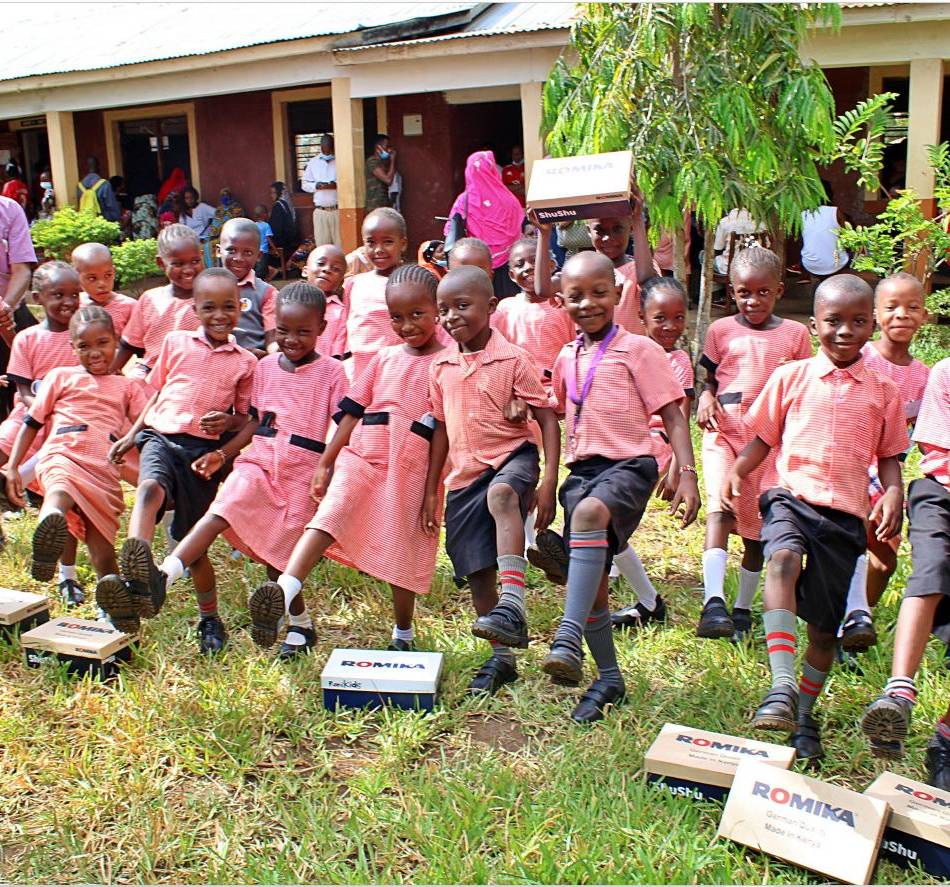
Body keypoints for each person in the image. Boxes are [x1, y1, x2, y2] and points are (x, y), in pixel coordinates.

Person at [723, 274, 908, 762]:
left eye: (857, 321)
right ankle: (781, 685)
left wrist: (893, 492)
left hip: (845, 517)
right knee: (780, 560)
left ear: (871, 326)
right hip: (790, 496)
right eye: (833, 321)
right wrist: (735, 473)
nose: (845, 331)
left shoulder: (884, 391)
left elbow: (890, 455)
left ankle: (804, 714)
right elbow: (762, 439)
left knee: (824, 631)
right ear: (814, 324)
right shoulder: (790, 377)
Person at [249, 266, 446, 657]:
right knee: (328, 515)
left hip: (413, 464)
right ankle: (284, 590)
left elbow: (442, 429)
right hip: (365, 453)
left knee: (402, 546)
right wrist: (327, 461)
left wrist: (430, 493)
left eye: (417, 315)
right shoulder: (383, 358)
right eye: (396, 317)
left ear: (436, 310)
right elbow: (352, 411)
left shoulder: (448, 362)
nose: (406, 325)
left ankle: (403, 633)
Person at [148, 283, 348, 653]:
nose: (291, 339)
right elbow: (255, 421)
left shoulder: (333, 373)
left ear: (321, 327)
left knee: (279, 557)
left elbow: (344, 424)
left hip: (302, 468)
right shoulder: (265, 367)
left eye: (303, 331)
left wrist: (329, 465)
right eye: (284, 330)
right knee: (220, 511)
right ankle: (163, 575)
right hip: (260, 458)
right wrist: (224, 454)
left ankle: (300, 626)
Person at [544, 252, 700, 722]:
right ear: (561, 301)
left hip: (630, 466)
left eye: (597, 293)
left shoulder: (639, 350)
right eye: (576, 296)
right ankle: (609, 678)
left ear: (617, 293)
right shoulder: (566, 356)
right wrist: (548, 473)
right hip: (582, 475)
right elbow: (553, 409)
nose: (588, 303)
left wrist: (687, 474)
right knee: (591, 584)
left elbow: (673, 411)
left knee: (592, 518)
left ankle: (567, 635)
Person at [423, 266, 561, 696]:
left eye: (462, 306)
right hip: (463, 476)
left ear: (491, 307)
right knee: (478, 572)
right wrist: (432, 488)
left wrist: (550, 480)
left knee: (502, 497)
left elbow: (547, 418)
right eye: (443, 309)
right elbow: (442, 428)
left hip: (510, 459)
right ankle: (502, 658)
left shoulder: (514, 359)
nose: (451, 317)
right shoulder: (440, 365)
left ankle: (514, 602)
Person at [97, 268, 256, 627]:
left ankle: (209, 618)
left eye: (228, 307)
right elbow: (154, 395)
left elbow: (246, 419)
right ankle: (136, 566)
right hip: (160, 437)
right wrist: (131, 435)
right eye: (210, 307)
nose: (219, 315)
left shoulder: (245, 362)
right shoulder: (175, 343)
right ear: (195, 310)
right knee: (149, 488)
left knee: (190, 542)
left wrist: (226, 427)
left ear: (240, 308)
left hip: (201, 455)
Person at [696, 247, 812, 642]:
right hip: (724, 432)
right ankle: (713, 603)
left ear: (778, 291)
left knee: (755, 532)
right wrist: (705, 396)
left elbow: (802, 390)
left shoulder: (796, 336)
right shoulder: (720, 330)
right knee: (719, 506)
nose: (753, 300)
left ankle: (742, 608)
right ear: (732, 291)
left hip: (767, 445)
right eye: (744, 292)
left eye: (763, 292)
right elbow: (709, 377)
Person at [4, 307, 147, 606]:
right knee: (60, 489)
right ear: (72, 348)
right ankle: (50, 527)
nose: (94, 352)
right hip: (63, 451)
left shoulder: (128, 386)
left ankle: (112, 600)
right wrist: (14, 466)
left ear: (117, 342)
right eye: (84, 346)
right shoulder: (60, 377)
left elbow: (146, 423)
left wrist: (133, 435)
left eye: (102, 343)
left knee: (102, 548)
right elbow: (32, 421)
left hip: (102, 467)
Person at [860, 356, 950, 784]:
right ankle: (899, 691)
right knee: (930, 572)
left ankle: (945, 739)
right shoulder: (946, 372)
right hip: (941, 494)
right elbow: (936, 451)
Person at [840, 273, 930, 653]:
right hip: (850, 467)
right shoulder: (862, 359)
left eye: (912, 308)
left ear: (925, 316)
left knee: (885, 563)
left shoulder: (925, 376)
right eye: (891, 307)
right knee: (853, 547)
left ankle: (857, 623)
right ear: (875, 315)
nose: (902, 315)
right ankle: (841, 618)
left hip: (890, 475)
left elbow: (928, 436)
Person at [611, 276, 695, 631]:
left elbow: (680, 415)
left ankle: (640, 595)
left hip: (653, 452)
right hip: (623, 446)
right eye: (660, 318)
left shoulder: (679, 361)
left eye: (678, 318)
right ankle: (647, 601)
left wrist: (679, 465)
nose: (669, 326)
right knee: (610, 525)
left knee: (611, 522)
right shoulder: (631, 352)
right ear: (642, 318)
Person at [0, 261, 81, 572]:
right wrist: (42, 407)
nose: (68, 302)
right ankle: (11, 485)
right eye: (58, 295)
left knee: (60, 491)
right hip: (31, 415)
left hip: (71, 424)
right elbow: (22, 390)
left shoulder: (85, 334)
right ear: (37, 297)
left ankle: (66, 571)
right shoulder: (28, 338)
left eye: (75, 294)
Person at [113, 225, 203, 380]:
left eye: (195, 261)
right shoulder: (150, 299)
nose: (188, 270)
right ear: (161, 263)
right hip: (150, 372)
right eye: (178, 264)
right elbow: (129, 345)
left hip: (192, 375)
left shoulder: (209, 299)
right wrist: (110, 372)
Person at [444, 150, 525, 299]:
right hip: (508, 269)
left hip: (476, 269)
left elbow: (451, 230)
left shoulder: (464, 201)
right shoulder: (509, 198)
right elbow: (519, 229)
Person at [344, 208, 408, 379]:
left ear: (403, 244)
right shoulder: (355, 283)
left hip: (397, 371)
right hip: (359, 372)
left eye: (387, 242)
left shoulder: (413, 283)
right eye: (371, 243)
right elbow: (348, 325)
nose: (378, 249)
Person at [585, 190, 656, 335]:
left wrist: (637, 218)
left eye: (617, 229)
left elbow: (648, 282)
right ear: (588, 231)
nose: (607, 238)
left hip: (632, 355)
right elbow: (543, 290)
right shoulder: (583, 273)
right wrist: (544, 233)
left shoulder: (640, 269)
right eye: (599, 230)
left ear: (630, 228)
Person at [217, 217, 278, 358]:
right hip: (216, 359)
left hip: (255, 359)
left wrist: (273, 354)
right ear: (219, 251)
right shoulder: (206, 288)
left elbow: (272, 337)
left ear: (258, 256)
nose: (239, 258)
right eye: (231, 250)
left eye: (248, 253)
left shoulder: (267, 293)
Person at [0, 195, 38, 418]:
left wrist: (6, 307)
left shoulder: (9, 210)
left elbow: (22, 270)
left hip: (11, 315)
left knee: (23, 396)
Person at [71, 242, 136, 337]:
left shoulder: (129, 307)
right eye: (92, 278)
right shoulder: (74, 305)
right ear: (76, 277)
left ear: (114, 271)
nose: (102, 284)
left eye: (108, 275)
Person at [302, 244, 348, 360]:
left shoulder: (341, 312)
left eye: (336, 269)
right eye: (321, 263)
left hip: (324, 372)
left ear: (341, 281)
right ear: (305, 271)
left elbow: (339, 351)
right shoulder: (288, 302)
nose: (327, 269)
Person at [800, 181, 849, 278]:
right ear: (829, 193)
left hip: (810, 265)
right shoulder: (835, 212)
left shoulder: (802, 214)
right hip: (836, 264)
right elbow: (846, 237)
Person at [301, 134, 339, 248]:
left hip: (337, 210)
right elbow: (304, 184)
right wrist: (316, 186)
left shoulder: (340, 161)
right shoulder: (313, 162)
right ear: (321, 146)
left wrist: (336, 185)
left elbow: (348, 181)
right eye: (325, 148)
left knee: (339, 246)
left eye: (330, 148)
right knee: (322, 247)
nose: (327, 152)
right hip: (320, 211)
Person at [712, 208, 768, 275]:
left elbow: (718, 247)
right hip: (756, 268)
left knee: (703, 256)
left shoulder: (724, 222)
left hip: (730, 268)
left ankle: (721, 283)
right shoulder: (761, 223)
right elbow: (767, 245)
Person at [77, 157, 120, 221]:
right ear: (98, 167)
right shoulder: (104, 184)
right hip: (102, 224)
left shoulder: (79, 186)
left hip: (86, 223)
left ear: (86, 167)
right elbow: (112, 208)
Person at [365, 134, 397, 212]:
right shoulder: (372, 161)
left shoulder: (382, 163)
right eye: (387, 147)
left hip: (383, 204)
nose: (389, 150)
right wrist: (393, 160)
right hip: (375, 206)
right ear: (378, 147)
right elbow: (388, 180)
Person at [268, 181, 297, 255]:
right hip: (290, 240)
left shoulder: (277, 206)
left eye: (273, 193)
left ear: (278, 193)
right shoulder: (285, 204)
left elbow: (276, 228)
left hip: (282, 243)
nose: (271, 195)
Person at [252, 204, 278, 279]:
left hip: (255, 251)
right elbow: (268, 238)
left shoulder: (253, 225)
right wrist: (275, 249)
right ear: (264, 214)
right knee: (262, 268)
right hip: (263, 251)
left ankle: (265, 277)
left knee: (258, 266)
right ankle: (267, 276)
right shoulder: (266, 225)